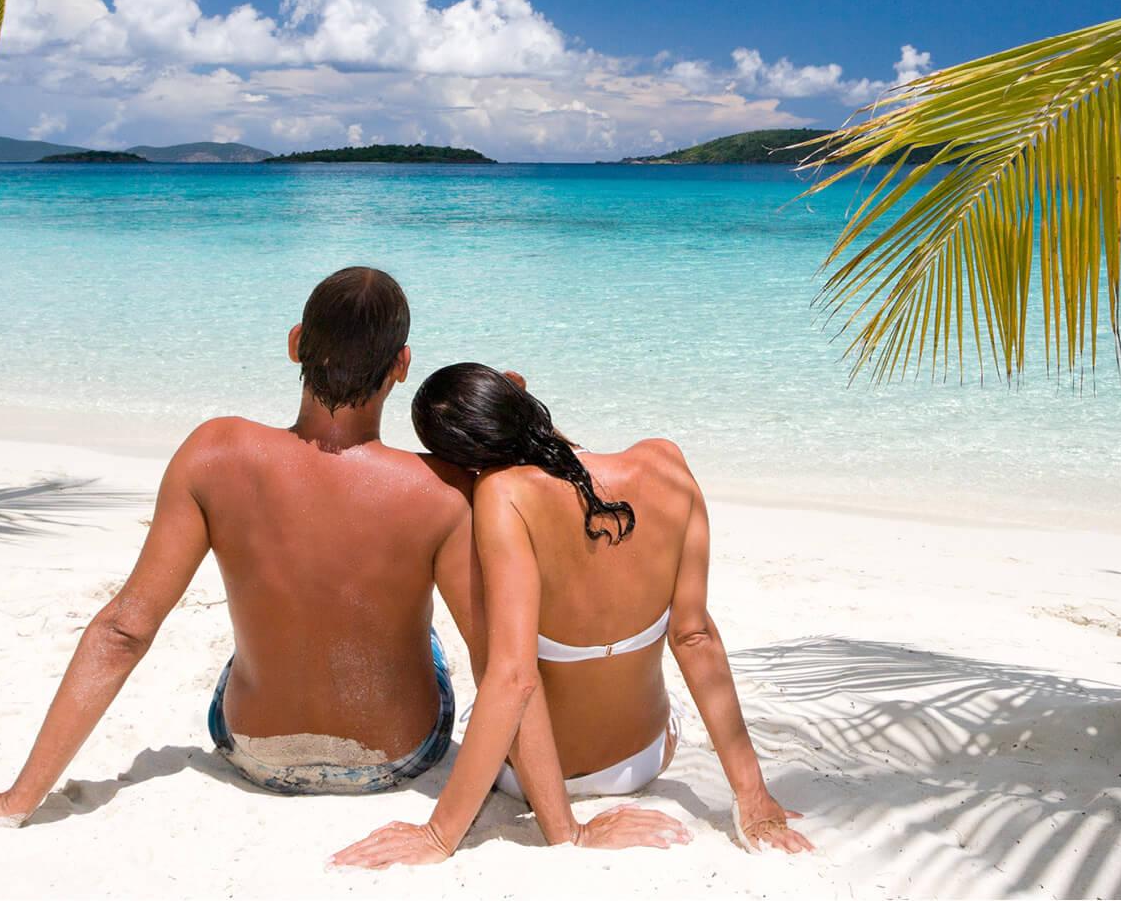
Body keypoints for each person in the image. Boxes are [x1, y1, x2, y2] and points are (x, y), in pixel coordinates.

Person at [0, 271, 485, 825]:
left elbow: (124, 630)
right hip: (398, 758)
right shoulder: (441, 488)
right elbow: (498, 660)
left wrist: (14, 799)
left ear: (296, 342)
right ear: (402, 365)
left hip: (255, 752)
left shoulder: (214, 452)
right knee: (419, 628)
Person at [330, 363, 813, 869]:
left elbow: (515, 678)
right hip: (643, 761)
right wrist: (753, 796)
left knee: (489, 652)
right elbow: (695, 638)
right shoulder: (665, 463)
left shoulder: (503, 496)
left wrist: (440, 834)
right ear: (521, 399)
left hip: (529, 781)